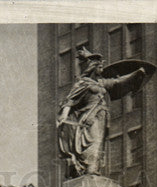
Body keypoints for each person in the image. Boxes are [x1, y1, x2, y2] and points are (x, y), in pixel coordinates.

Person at [57, 46, 147, 177]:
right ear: (92, 67)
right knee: (92, 142)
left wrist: (137, 73)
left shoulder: (101, 83)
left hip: (102, 117)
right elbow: (69, 101)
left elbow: (118, 82)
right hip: (89, 118)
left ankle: (93, 168)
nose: (102, 70)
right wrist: (64, 116)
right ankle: (88, 168)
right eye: (99, 67)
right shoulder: (82, 83)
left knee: (99, 143)